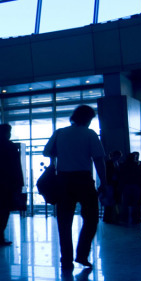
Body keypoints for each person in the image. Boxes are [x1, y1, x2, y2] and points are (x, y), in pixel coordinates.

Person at [43, 105, 107, 271]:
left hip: (63, 180)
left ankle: (66, 259)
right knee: (91, 218)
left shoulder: (60, 133)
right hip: (84, 180)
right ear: (88, 119)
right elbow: (99, 160)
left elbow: (46, 151)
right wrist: (104, 183)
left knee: (64, 222)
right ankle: (82, 254)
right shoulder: (89, 134)